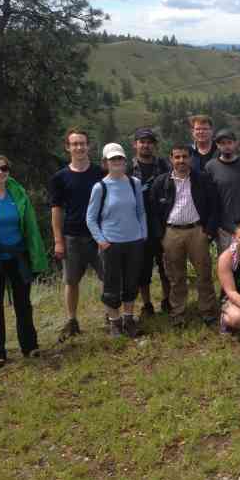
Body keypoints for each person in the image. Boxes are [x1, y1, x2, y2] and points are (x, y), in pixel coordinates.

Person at [0, 155, 48, 368]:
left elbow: (30, 228)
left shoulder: (18, 194)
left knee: (23, 304)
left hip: (18, 256)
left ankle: (30, 346)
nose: (0, 173)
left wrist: (36, 257)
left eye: (4, 168)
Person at [150, 144, 219, 327]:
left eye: (185, 157)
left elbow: (214, 206)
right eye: (177, 157)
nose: (181, 160)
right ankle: (178, 313)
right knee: (175, 276)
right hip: (171, 232)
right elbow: (153, 211)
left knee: (204, 273)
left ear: (191, 158)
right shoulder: (161, 182)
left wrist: (208, 232)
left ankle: (208, 311)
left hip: (197, 231)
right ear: (171, 159)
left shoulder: (202, 179)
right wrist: (161, 235)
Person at [49, 127, 105, 341]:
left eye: (82, 143)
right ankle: (72, 321)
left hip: (99, 235)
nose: (79, 147)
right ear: (68, 147)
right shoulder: (60, 178)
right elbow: (56, 210)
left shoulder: (100, 173)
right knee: (71, 281)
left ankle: (111, 316)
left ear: (88, 146)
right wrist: (58, 240)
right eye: (75, 144)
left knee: (107, 277)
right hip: (72, 236)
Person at [86, 142, 147, 337]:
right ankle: (114, 322)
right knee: (111, 285)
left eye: (120, 158)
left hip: (134, 241)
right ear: (105, 162)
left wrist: (143, 233)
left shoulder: (134, 183)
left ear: (125, 160)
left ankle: (128, 319)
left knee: (131, 282)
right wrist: (101, 240)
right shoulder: (100, 187)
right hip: (111, 243)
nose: (117, 162)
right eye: (113, 159)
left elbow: (141, 211)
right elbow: (90, 218)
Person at [129, 127, 171, 318]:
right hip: (138, 225)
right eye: (142, 142)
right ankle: (146, 304)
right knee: (142, 268)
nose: (146, 145)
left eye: (149, 142)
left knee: (166, 266)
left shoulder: (164, 166)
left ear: (154, 145)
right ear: (135, 144)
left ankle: (167, 300)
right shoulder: (128, 169)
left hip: (162, 223)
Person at [205, 128, 240, 251]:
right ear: (217, 145)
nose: (226, 146)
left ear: (235, 143)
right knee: (227, 260)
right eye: (222, 143)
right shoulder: (211, 167)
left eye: (229, 142)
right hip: (224, 228)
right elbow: (209, 199)